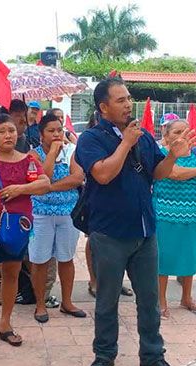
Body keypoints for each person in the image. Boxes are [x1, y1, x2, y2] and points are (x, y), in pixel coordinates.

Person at [75, 77, 192, 366]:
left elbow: (158, 174)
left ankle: (153, 356)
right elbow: (101, 175)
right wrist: (125, 143)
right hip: (109, 234)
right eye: (120, 100)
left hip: (145, 232)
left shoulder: (143, 137)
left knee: (149, 300)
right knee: (107, 300)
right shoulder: (91, 139)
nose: (128, 104)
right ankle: (104, 354)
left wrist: (171, 156)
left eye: (129, 98)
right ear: (103, 107)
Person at [0, 113, 50, 359]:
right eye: (2, 131)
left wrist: (20, 189)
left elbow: (45, 183)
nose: (8, 135)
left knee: (12, 274)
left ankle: (5, 323)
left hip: (19, 227)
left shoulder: (28, 159)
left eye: (12, 131)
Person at [154, 119, 196, 318]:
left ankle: (186, 298)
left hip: (192, 216)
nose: (182, 135)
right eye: (176, 132)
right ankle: (161, 300)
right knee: (163, 260)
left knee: (189, 257)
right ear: (166, 136)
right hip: (165, 215)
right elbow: (174, 173)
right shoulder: (162, 153)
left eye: (185, 131)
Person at [27, 113, 86, 323]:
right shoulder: (33, 155)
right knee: (40, 260)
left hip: (67, 213)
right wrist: (52, 152)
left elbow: (77, 178)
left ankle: (67, 302)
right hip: (41, 214)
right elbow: (43, 174)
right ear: (41, 135)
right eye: (51, 131)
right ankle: (40, 304)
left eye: (59, 130)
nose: (56, 134)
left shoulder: (72, 151)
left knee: (66, 258)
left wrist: (48, 187)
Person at [83, 112, 133, 299]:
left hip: (125, 204)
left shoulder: (127, 138)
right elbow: (101, 174)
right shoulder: (91, 140)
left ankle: (117, 282)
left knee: (122, 248)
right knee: (95, 243)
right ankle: (94, 280)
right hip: (99, 204)